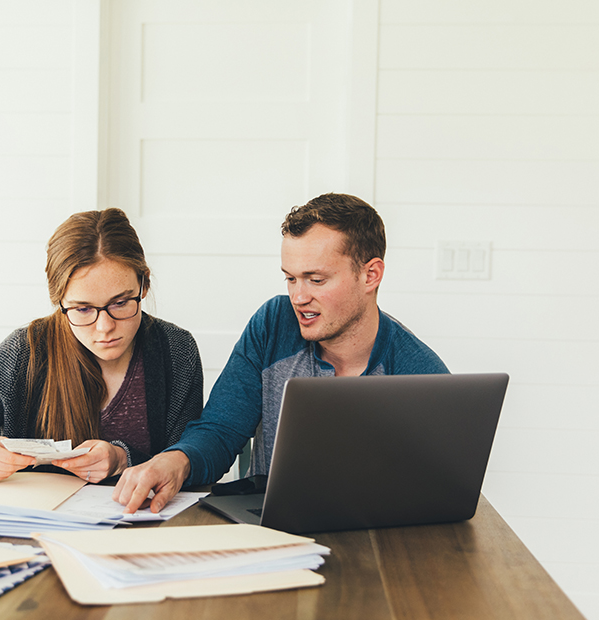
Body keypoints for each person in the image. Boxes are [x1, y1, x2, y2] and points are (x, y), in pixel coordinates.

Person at [113, 193, 448, 512]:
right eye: (291, 278)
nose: (298, 298)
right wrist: (177, 461)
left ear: (370, 275)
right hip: (273, 534)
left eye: (316, 280)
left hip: (376, 544)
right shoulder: (273, 324)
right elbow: (220, 429)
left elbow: (435, 490)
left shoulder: (422, 375)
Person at [0, 208, 203, 484]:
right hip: (34, 530)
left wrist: (121, 459)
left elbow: (187, 461)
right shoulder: (27, 352)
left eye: (121, 302)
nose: (105, 327)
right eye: (83, 309)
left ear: (144, 286)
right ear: (59, 303)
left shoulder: (175, 351)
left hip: (143, 531)